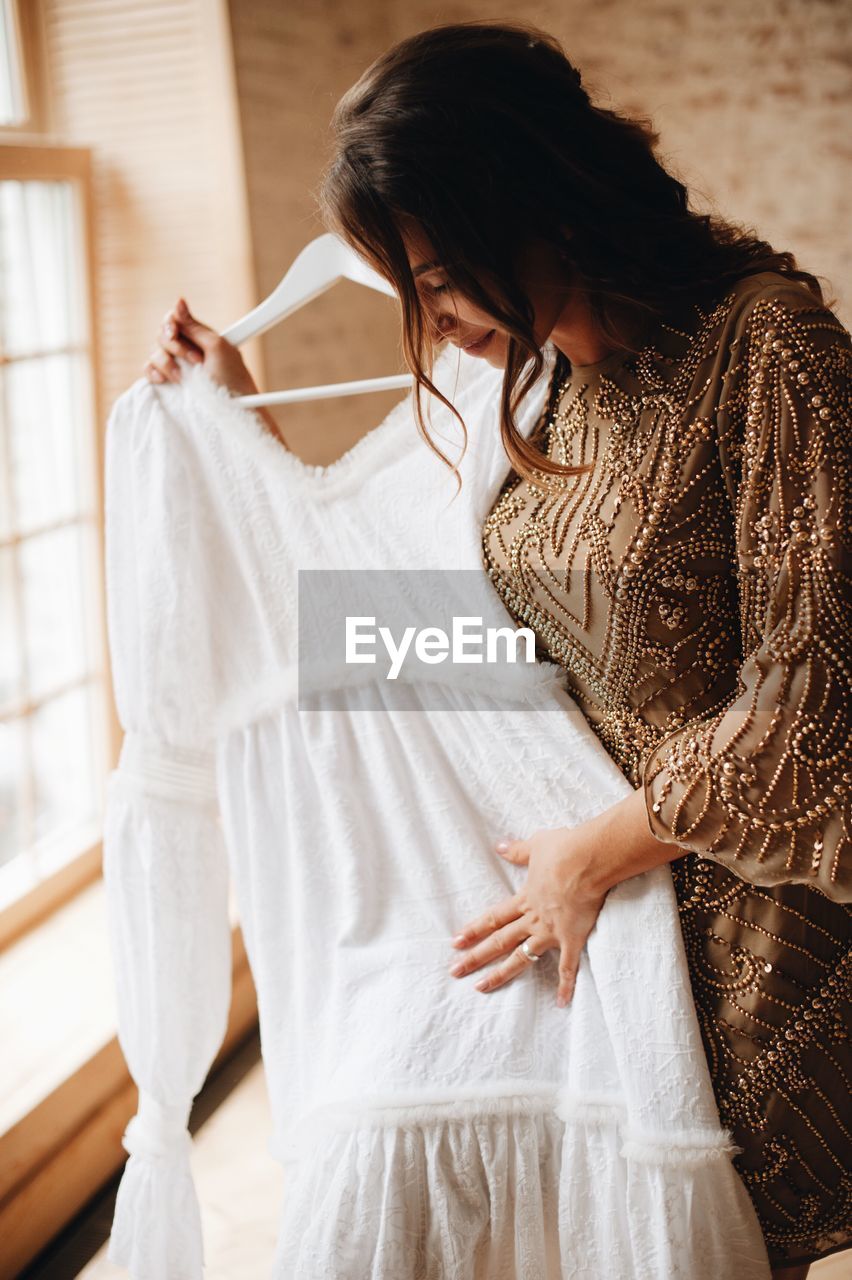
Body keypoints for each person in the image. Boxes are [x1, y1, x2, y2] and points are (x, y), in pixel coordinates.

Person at [143, 20, 851, 1277]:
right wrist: (236, 447)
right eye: (410, 283)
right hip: (596, 929)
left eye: (437, 274)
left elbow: (813, 701)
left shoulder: (770, 348)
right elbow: (463, 631)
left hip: (754, 964)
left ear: (536, 202)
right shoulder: (530, 385)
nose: (431, 315)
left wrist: (595, 850)